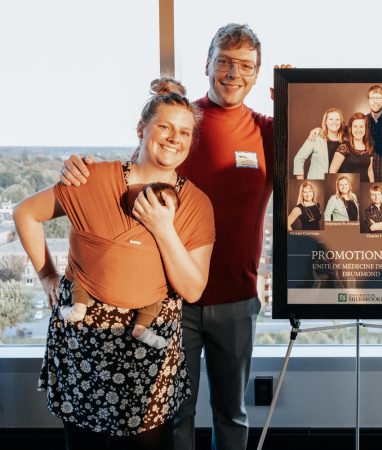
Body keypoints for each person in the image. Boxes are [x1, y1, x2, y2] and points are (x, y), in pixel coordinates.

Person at [60, 23, 277, 450]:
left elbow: (327, 150)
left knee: (231, 412)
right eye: (225, 62)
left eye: (245, 66)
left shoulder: (268, 131)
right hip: (170, 297)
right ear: (208, 64)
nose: (233, 73)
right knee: (174, 411)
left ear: (257, 74)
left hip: (236, 295)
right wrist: (79, 171)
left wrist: (295, 96)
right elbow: (136, 170)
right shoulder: (184, 123)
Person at [14, 78, 215, 449]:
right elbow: (25, 213)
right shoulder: (91, 179)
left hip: (148, 348)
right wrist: (46, 275)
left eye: (184, 132)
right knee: (85, 443)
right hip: (84, 345)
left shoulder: (197, 205)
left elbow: (192, 288)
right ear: (141, 129)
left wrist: (163, 228)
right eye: (165, 126)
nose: (174, 138)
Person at [62, 182, 181, 349]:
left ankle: (78, 307)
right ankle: (141, 327)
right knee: (157, 294)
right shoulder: (164, 230)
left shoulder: (142, 225)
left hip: (116, 280)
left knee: (82, 272)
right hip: (140, 284)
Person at [293, 108, 345, 180]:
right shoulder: (316, 137)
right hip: (318, 183)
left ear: (341, 122)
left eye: (337, 119)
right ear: (325, 122)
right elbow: (298, 159)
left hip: (337, 183)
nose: (334, 122)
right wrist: (301, 182)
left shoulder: (345, 140)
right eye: (331, 119)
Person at [329, 112, 375, 182]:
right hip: (349, 187)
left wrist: (371, 185)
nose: (358, 130)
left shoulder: (369, 148)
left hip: (365, 187)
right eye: (355, 126)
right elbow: (333, 170)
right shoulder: (343, 147)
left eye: (361, 126)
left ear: (366, 129)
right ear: (351, 128)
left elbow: (370, 170)